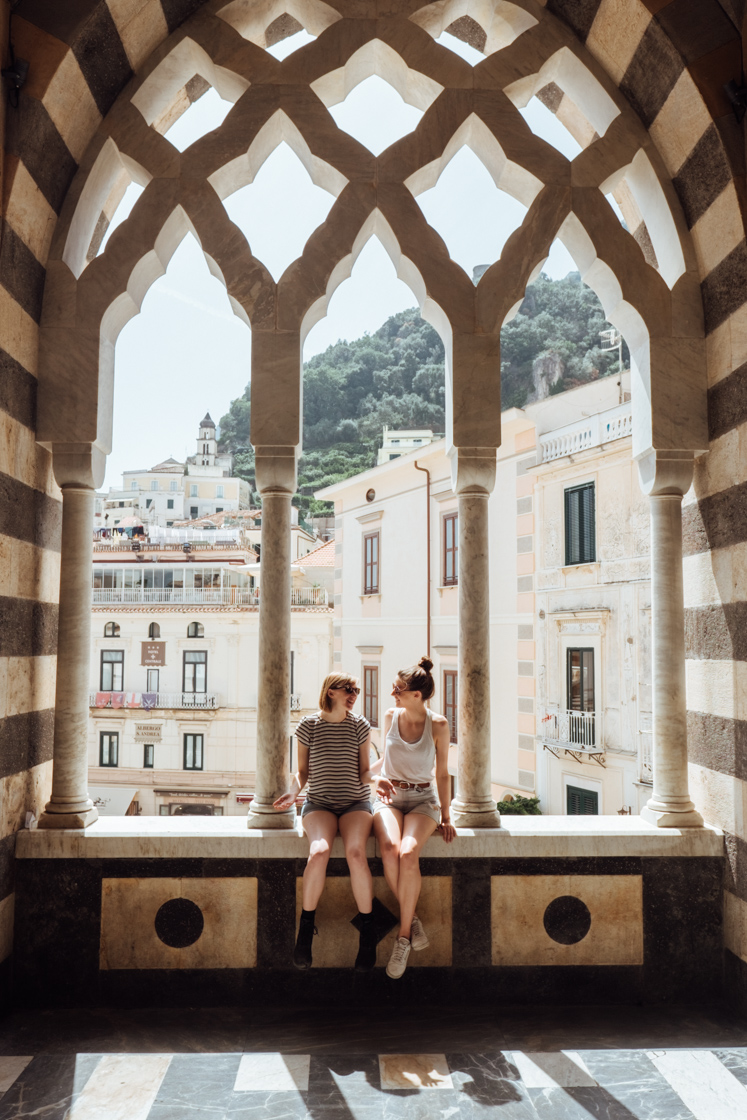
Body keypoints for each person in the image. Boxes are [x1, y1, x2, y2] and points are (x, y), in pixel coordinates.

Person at [273, 672, 391, 972]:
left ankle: (367, 932)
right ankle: (306, 928)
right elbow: (302, 772)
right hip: (320, 804)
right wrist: (292, 793)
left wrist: (378, 780)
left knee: (355, 853)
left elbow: (364, 772)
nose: (354, 694)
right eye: (348, 689)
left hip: (355, 804)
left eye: (356, 690)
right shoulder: (308, 725)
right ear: (330, 692)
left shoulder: (359, 725)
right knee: (319, 851)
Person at [371, 656, 456, 979]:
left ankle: (403, 936)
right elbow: (384, 761)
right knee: (390, 850)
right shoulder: (391, 715)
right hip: (389, 798)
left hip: (423, 799)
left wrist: (446, 816)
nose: (392, 692)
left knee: (408, 854)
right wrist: (367, 776)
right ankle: (412, 920)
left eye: (399, 688)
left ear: (417, 695)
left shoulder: (438, 725)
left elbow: (444, 773)